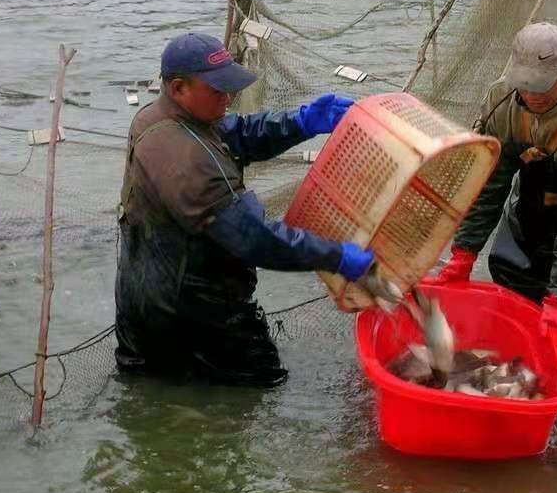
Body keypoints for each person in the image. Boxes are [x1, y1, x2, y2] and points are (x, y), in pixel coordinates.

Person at [115, 32, 373, 387]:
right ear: (178, 88)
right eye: (218, 90)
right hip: (192, 311)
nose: (229, 97)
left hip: (144, 300)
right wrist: (335, 255)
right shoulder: (184, 161)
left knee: (152, 389)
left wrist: (300, 122)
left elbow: (236, 133)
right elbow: (254, 239)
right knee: (261, 386)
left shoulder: (162, 116)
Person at [427, 22, 557, 356]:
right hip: (536, 193)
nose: (533, 96)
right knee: (515, 287)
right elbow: (491, 183)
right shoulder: (501, 100)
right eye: (525, 86)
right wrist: (465, 252)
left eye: (543, 86)